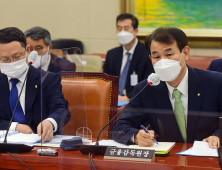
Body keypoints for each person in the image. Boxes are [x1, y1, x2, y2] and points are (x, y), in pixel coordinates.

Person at [112, 27, 222, 149]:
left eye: (169, 54)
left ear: (185, 53)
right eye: (157, 57)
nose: (163, 62)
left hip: (207, 159)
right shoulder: (145, 89)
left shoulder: (216, 83)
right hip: (168, 161)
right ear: (150, 59)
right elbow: (119, 127)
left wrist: (218, 136)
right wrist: (137, 136)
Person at [0, 27, 71, 142]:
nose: (12, 63)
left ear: (28, 51)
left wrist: (50, 122)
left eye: (17, 57)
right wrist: (15, 127)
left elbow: (61, 108)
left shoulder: (48, 79)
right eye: (5, 60)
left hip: (41, 143)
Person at [103, 13, 154, 102]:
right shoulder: (112, 54)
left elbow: (148, 83)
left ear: (136, 31)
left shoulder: (147, 54)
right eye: (119, 29)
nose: (122, 32)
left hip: (136, 101)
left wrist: (127, 98)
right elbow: (105, 81)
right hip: (112, 100)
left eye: (126, 29)